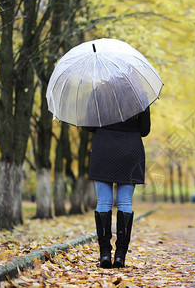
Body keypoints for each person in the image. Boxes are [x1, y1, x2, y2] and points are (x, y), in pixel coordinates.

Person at [87, 107, 150, 269]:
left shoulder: (99, 92)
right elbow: (145, 130)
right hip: (131, 150)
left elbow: (88, 125)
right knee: (125, 204)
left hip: (103, 148)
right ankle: (120, 255)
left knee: (103, 203)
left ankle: (105, 254)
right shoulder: (138, 96)